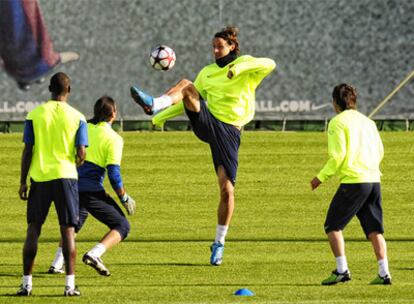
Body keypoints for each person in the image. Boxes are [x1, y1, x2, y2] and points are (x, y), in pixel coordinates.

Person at [130, 26, 276, 266]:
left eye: (220, 46)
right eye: (214, 47)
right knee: (188, 85)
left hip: (230, 133)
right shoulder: (207, 73)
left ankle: (219, 243)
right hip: (208, 123)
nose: (216, 51)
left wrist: (237, 68)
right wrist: (159, 116)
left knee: (227, 191)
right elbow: (189, 98)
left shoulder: (246, 65)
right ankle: (156, 103)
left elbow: (269, 63)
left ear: (232, 46)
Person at [311, 83, 392, 285]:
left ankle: (342, 270)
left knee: (333, 226)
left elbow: (338, 157)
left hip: (355, 181)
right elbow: (380, 151)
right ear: (354, 100)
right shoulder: (368, 122)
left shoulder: (337, 122)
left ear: (335, 102)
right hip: (373, 179)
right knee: (375, 230)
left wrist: (320, 177)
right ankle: (384, 273)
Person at [48, 96, 136, 277]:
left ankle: (57, 264)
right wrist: (124, 197)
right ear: (113, 114)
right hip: (91, 191)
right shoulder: (114, 139)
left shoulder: (82, 127)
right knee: (122, 225)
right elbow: (114, 175)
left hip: (70, 184)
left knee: (75, 222)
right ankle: (94, 254)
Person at [18, 72, 88, 296]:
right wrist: (79, 158)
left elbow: (28, 150)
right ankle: (69, 286)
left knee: (33, 229)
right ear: (69, 90)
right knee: (67, 231)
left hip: (40, 177)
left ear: (49, 88)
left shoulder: (35, 115)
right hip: (66, 176)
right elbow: (81, 152)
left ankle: (26, 284)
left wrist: (22, 181)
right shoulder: (78, 117)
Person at [0, 0, 79, 91]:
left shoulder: (45, 61)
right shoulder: (11, 66)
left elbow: (63, 57)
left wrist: (74, 56)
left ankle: (33, 78)